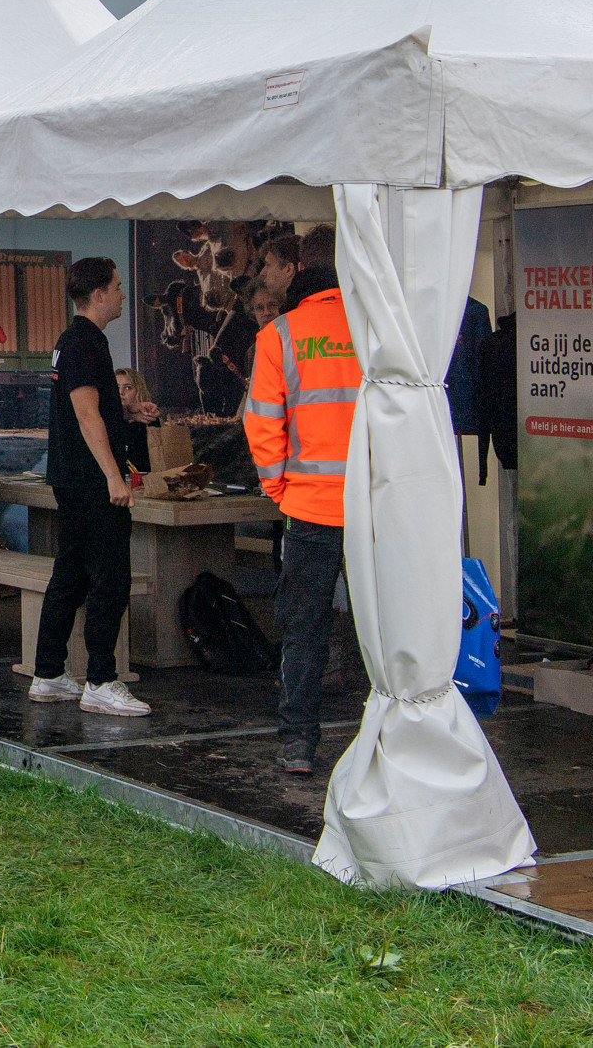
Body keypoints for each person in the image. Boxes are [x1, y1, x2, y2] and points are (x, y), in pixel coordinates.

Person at [245, 226, 354, 776]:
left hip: (310, 508)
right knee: (386, 627)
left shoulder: (280, 336)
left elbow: (262, 425)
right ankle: (390, 735)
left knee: (304, 627)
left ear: (297, 278)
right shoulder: (378, 331)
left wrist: (280, 489)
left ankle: (298, 743)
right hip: (374, 507)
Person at [29, 258, 151, 718]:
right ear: (98, 294)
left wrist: (130, 416)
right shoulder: (85, 342)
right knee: (110, 577)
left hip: (73, 478)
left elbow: (91, 409)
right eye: (118, 287)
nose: (122, 294)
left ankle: (48, 672)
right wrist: (114, 477)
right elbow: (85, 414)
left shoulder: (73, 342)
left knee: (73, 572)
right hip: (90, 481)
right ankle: (101, 678)